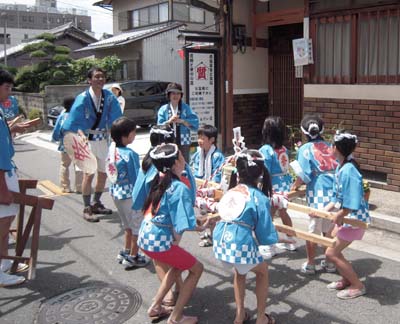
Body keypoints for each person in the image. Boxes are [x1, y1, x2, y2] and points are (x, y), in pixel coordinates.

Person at [138, 144, 203, 324]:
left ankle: (156, 306)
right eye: (182, 157)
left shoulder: (157, 180)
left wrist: (195, 223)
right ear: (175, 163)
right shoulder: (179, 187)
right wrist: (203, 226)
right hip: (159, 241)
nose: (184, 160)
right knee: (197, 269)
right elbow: (185, 223)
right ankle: (176, 317)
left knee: (178, 265)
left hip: (145, 237)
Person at [213, 150, 278, 324]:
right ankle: (261, 318)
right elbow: (265, 232)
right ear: (260, 173)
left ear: (239, 172)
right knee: (262, 272)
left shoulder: (231, 190)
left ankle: (240, 314)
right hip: (239, 243)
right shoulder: (259, 197)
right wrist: (274, 241)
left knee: (240, 272)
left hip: (220, 241)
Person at [131, 125, 192, 307]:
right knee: (170, 257)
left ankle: (170, 294)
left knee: (162, 257)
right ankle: (175, 291)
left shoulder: (149, 164)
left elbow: (138, 194)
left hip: (153, 218)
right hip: (172, 220)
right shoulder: (179, 167)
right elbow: (189, 192)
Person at [62, 67, 122, 222]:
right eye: (97, 77)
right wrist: (79, 135)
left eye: (102, 77)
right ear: (89, 80)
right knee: (88, 175)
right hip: (86, 141)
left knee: (103, 173)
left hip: (102, 140)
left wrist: (116, 133)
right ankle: (87, 207)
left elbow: (116, 117)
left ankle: (96, 202)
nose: (100, 79)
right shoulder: (82, 98)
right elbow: (73, 121)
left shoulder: (108, 96)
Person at [319, 131, 370, 299]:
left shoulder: (349, 170)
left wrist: (339, 213)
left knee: (331, 253)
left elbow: (352, 200)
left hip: (353, 219)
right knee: (331, 244)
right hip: (346, 217)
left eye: (332, 145)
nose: (330, 148)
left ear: (338, 148)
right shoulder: (342, 166)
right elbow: (337, 197)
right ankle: (346, 279)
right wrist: (323, 211)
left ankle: (357, 285)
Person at [291, 114, 338, 274]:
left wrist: (294, 187)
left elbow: (303, 176)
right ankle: (330, 262)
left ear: (304, 132)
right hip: (335, 191)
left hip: (318, 191)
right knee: (329, 229)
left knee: (313, 229)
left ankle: (311, 263)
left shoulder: (305, 149)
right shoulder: (331, 146)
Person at [0, 70, 32, 287]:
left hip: (6, 171)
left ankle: (4, 263)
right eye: (7, 87)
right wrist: (3, 187)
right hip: (2, 174)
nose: (10, 92)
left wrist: (12, 129)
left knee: (6, 224)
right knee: (2, 226)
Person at [108, 117, 148, 269]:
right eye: (133, 132)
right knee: (137, 225)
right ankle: (133, 256)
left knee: (127, 225)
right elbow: (136, 178)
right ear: (125, 136)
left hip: (116, 192)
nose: (135, 135)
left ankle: (125, 250)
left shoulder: (112, 150)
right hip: (130, 195)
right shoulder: (130, 154)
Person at [259, 116, 296, 255]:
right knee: (282, 212)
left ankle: (270, 244)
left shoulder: (266, 150)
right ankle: (290, 239)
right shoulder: (283, 149)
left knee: (269, 215)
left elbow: (264, 171)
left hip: (272, 187)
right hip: (285, 184)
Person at [190, 124, 225, 247]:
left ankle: (213, 236)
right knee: (204, 211)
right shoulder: (197, 153)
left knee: (211, 214)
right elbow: (194, 169)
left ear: (212, 140)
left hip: (211, 189)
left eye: (203, 138)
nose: (199, 141)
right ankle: (209, 232)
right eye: (199, 137)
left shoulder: (217, 156)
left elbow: (218, 174)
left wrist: (209, 188)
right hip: (201, 188)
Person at [157, 82, 199, 162]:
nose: (175, 96)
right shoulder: (163, 109)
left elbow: (195, 123)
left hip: (184, 140)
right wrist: (169, 121)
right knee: (169, 162)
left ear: (181, 95)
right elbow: (159, 127)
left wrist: (182, 121)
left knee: (184, 162)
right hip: (167, 141)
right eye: (173, 93)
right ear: (169, 95)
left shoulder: (186, 108)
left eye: (178, 93)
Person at [51, 97, 83, 193]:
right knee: (78, 166)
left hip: (65, 143)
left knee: (64, 165)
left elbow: (57, 129)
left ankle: (65, 187)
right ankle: (79, 187)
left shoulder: (62, 116)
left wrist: (56, 138)